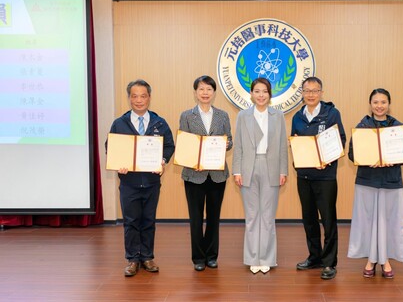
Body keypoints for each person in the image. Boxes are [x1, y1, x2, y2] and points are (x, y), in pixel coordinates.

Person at [107, 79, 175, 277]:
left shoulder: (159, 122)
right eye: (134, 96)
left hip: (152, 182)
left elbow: (169, 146)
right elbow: (110, 147)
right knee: (131, 221)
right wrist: (118, 161)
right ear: (129, 98)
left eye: (143, 96)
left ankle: (147, 257)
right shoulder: (119, 123)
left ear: (149, 97)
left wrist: (162, 160)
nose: (139, 100)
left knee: (148, 220)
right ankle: (132, 260)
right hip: (129, 183)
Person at [347, 88, 403, 279]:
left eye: (383, 102)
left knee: (389, 222)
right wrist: (368, 159)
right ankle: (370, 259)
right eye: (375, 102)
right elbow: (353, 153)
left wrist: (395, 159)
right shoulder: (362, 127)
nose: (379, 106)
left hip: (390, 181)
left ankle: (385, 260)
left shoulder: (398, 127)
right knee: (367, 222)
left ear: (389, 104)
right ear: (370, 104)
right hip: (367, 180)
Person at [291, 77, 346, 280]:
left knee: (328, 220)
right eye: (307, 91)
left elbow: (340, 140)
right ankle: (314, 257)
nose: (311, 94)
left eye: (315, 91)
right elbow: (294, 144)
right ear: (302, 93)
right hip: (304, 176)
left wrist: (327, 159)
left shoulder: (331, 113)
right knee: (309, 220)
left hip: (326, 176)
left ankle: (329, 262)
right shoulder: (297, 117)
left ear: (321, 92)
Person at [232, 77, 288, 274]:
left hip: (271, 167)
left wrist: (283, 171)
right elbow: (238, 145)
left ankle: (266, 258)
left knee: (268, 216)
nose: (261, 95)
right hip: (248, 168)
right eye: (257, 91)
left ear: (269, 94)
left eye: (264, 91)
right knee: (252, 216)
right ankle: (252, 258)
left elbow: (282, 145)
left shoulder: (278, 115)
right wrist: (237, 171)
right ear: (251, 93)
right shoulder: (243, 116)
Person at [179, 75, 233, 272]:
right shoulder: (186, 115)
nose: (205, 93)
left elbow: (230, 141)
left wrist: (226, 144)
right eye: (201, 89)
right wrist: (195, 161)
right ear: (195, 92)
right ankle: (198, 258)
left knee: (213, 217)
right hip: (194, 174)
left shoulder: (223, 115)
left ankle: (211, 256)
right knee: (195, 217)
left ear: (214, 93)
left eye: (209, 89)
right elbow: (184, 144)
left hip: (217, 174)